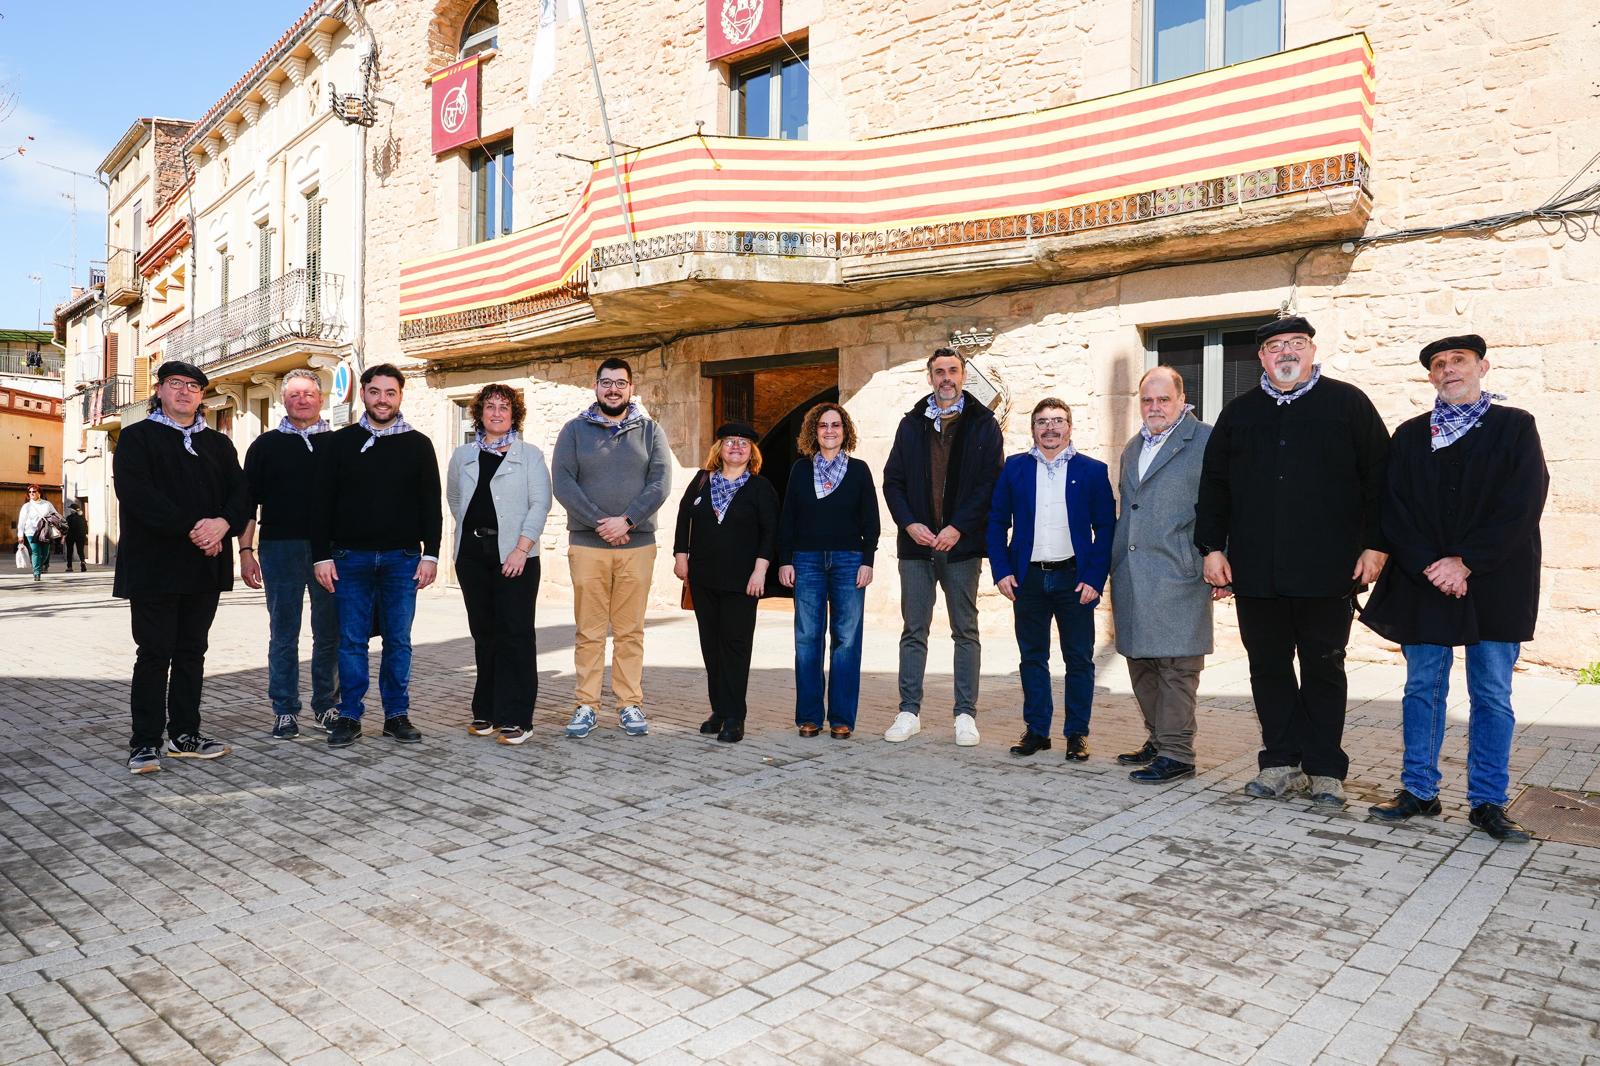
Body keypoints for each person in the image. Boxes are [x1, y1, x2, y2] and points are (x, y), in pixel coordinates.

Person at [1195, 315, 1390, 807]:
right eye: (1275, 345)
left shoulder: (1348, 404)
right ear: (1260, 356)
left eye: (1296, 344)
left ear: (1311, 350)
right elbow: (1214, 486)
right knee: (1268, 668)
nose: (1286, 352)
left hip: (1329, 572)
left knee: (1325, 669)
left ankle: (1325, 769)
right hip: (1257, 572)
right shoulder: (1239, 414)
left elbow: (1381, 480)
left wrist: (1377, 544)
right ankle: (1281, 762)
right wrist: (1212, 547)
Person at [1362, 335, 1548, 843]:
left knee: (1491, 693)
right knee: (1423, 688)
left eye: (1458, 361)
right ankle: (1418, 790)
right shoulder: (1409, 435)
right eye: (1438, 364)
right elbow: (1394, 509)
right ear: (1430, 377)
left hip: (1495, 580)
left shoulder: (1515, 428)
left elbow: (1523, 504)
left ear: (1482, 367)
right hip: (1424, 582)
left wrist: (1466, 562)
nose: (1448, 370)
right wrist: (1432, 564)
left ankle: (1488, 801)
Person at [113, 361, 251, 774]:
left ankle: (185, 734)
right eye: (176, 384)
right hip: (154, 566)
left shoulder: (219, 445)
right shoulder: (136, 438)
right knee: (154, 654)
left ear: (202, 396)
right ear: (160, 390)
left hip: (204, 568)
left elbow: (242, 494)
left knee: (193, 652)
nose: (185, 392)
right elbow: (136, 495)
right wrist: (196, 530)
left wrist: (224, 524)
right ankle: (145, 742)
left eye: (194, 386)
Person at [313, 363, 441, 748]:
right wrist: (322, 556)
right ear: (363, 394)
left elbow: (430, 505)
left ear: (401, 396)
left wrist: (431, 554)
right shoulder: (339, 442)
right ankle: (350, 715)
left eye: (390, 392)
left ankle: (396, 715)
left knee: (398, 640)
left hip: (403, 559)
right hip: (349, 559)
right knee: (351, 640)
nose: (382, 400)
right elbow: (320, 504)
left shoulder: (418, 445)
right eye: (375, 392)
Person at [881, 347, 1004, 745]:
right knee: (913, 629)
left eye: (953, 370)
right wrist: (910, 523)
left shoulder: (983, 423)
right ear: (929, 377)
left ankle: (965, 715)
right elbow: (893, 481)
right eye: (939, 372)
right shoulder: (911, 424)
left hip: (960, 546)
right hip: (916, 546)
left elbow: (990, 484)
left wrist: (959, 527)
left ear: (963, 376)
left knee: (964, 630)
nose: (946, 377)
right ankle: (908, 711)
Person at [987, 399, 1115, 761]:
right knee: (1032, 657)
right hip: (1027, 579)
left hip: (1074, 579)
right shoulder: (1015, 469)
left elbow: (1105, 528)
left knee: (1078, 660)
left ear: (1070, 427)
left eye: (1058, 421)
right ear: (1033, 430)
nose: (1050, 428)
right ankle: (1037, 731)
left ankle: (1077, 733)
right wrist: (1002, 570)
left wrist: (1094, 576)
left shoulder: (1091, 471)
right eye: (1042, 422)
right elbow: (996, 522)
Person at [552, 358, 672, 739]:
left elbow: (660, 482)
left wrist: (628, 520)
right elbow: (564, 483)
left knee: (629, 631)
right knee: (588, 630)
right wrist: (601, 522)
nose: (614, 390)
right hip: (588, 546)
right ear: (596, 387)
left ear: (631, 388)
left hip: (637, 545)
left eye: (621, 383)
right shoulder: (574, 431)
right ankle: (586, 704)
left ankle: (629, 704)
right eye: (607, 383)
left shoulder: (651, 432)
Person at [1110, 367, 1218, 783]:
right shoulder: (1134, 446)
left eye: (1163, 399)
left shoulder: (1204, 440)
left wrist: (1218, 556)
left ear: (1181, 399)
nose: (1154, 407)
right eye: (1147, 401)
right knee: (1142, 661)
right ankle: (1159, 738)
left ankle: (1178, 753)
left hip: (1179, 570)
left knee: (1177, 663)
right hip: (1133, 572)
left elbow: (1222, 503)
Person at [446, 383, 552, 745]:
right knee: (484, 634)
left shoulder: (530, 455)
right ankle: (487, 710)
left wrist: (521, 548)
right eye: (489, 407)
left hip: (516, 556)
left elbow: (540, 505)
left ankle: (517, 716)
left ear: (514, 415)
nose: (496, 413)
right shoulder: (462, 455)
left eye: (503, 407)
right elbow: (456, 499)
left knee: (516, 635)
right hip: (474, 557)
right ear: (480, 413)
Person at [240, 369, 339, 740]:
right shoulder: (264, 446)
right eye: (294, 393)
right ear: (284, 399)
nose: (302, 399)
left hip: (330, 551)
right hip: (278, 549)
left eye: (309, 393)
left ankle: (327, 706)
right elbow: (248, 504)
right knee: (283, 633)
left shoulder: (339, 444)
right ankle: (284, 709)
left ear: (321, 399)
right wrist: (246, 551)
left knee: (329, 633)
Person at [777, 403, 880, 739]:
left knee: (847, 640)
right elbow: (787, 518)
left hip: (849, 560)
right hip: (806, 560)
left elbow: (871, 521)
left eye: (836, 425)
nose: (830, 431)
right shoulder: (800, 471)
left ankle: (841, 718)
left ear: (845, 431)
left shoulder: (860, 470)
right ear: (814, 431)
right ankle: (808, 716)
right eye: (823, 426)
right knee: (807, 638)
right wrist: (785, 559)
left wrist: (868, 560)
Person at [672, 422, 778, 743]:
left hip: (743, 582)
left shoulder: (760, 488)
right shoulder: (702, 481)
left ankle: (735, 716)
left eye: (743, 443)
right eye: (730, 442)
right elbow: (683, 517)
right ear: (720, 449)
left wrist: (761, 571)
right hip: (703, 578)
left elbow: (770, 533)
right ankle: (718, 709)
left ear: (752, 452)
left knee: (735, 646)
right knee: (711, 646)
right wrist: (681, 554)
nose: (736, 447)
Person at [17, 484, 57, 582]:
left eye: (34, 491)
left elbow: (55, 516)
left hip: (45, 531)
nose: (31, 493)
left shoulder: (47, 504)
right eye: (30, 492)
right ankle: (37, 573)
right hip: (31, 532)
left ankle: (38, 565)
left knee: (45, 553)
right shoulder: (26, 506)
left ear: (39, 493)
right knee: (35, 552)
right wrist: (20, 535)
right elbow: (21, 521)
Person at [64, 503, 88, 572]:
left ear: (72, 510)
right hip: (81, 536)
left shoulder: (69, 518)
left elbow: (66, 528)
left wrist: (64, 535)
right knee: (80, 551)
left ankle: (69, 567)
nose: (70, 510)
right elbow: (86, 527)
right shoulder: (82, 518)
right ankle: (82, 562)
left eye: (70, 509)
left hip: (70, 536)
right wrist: (85, 534)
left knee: (69, 551)